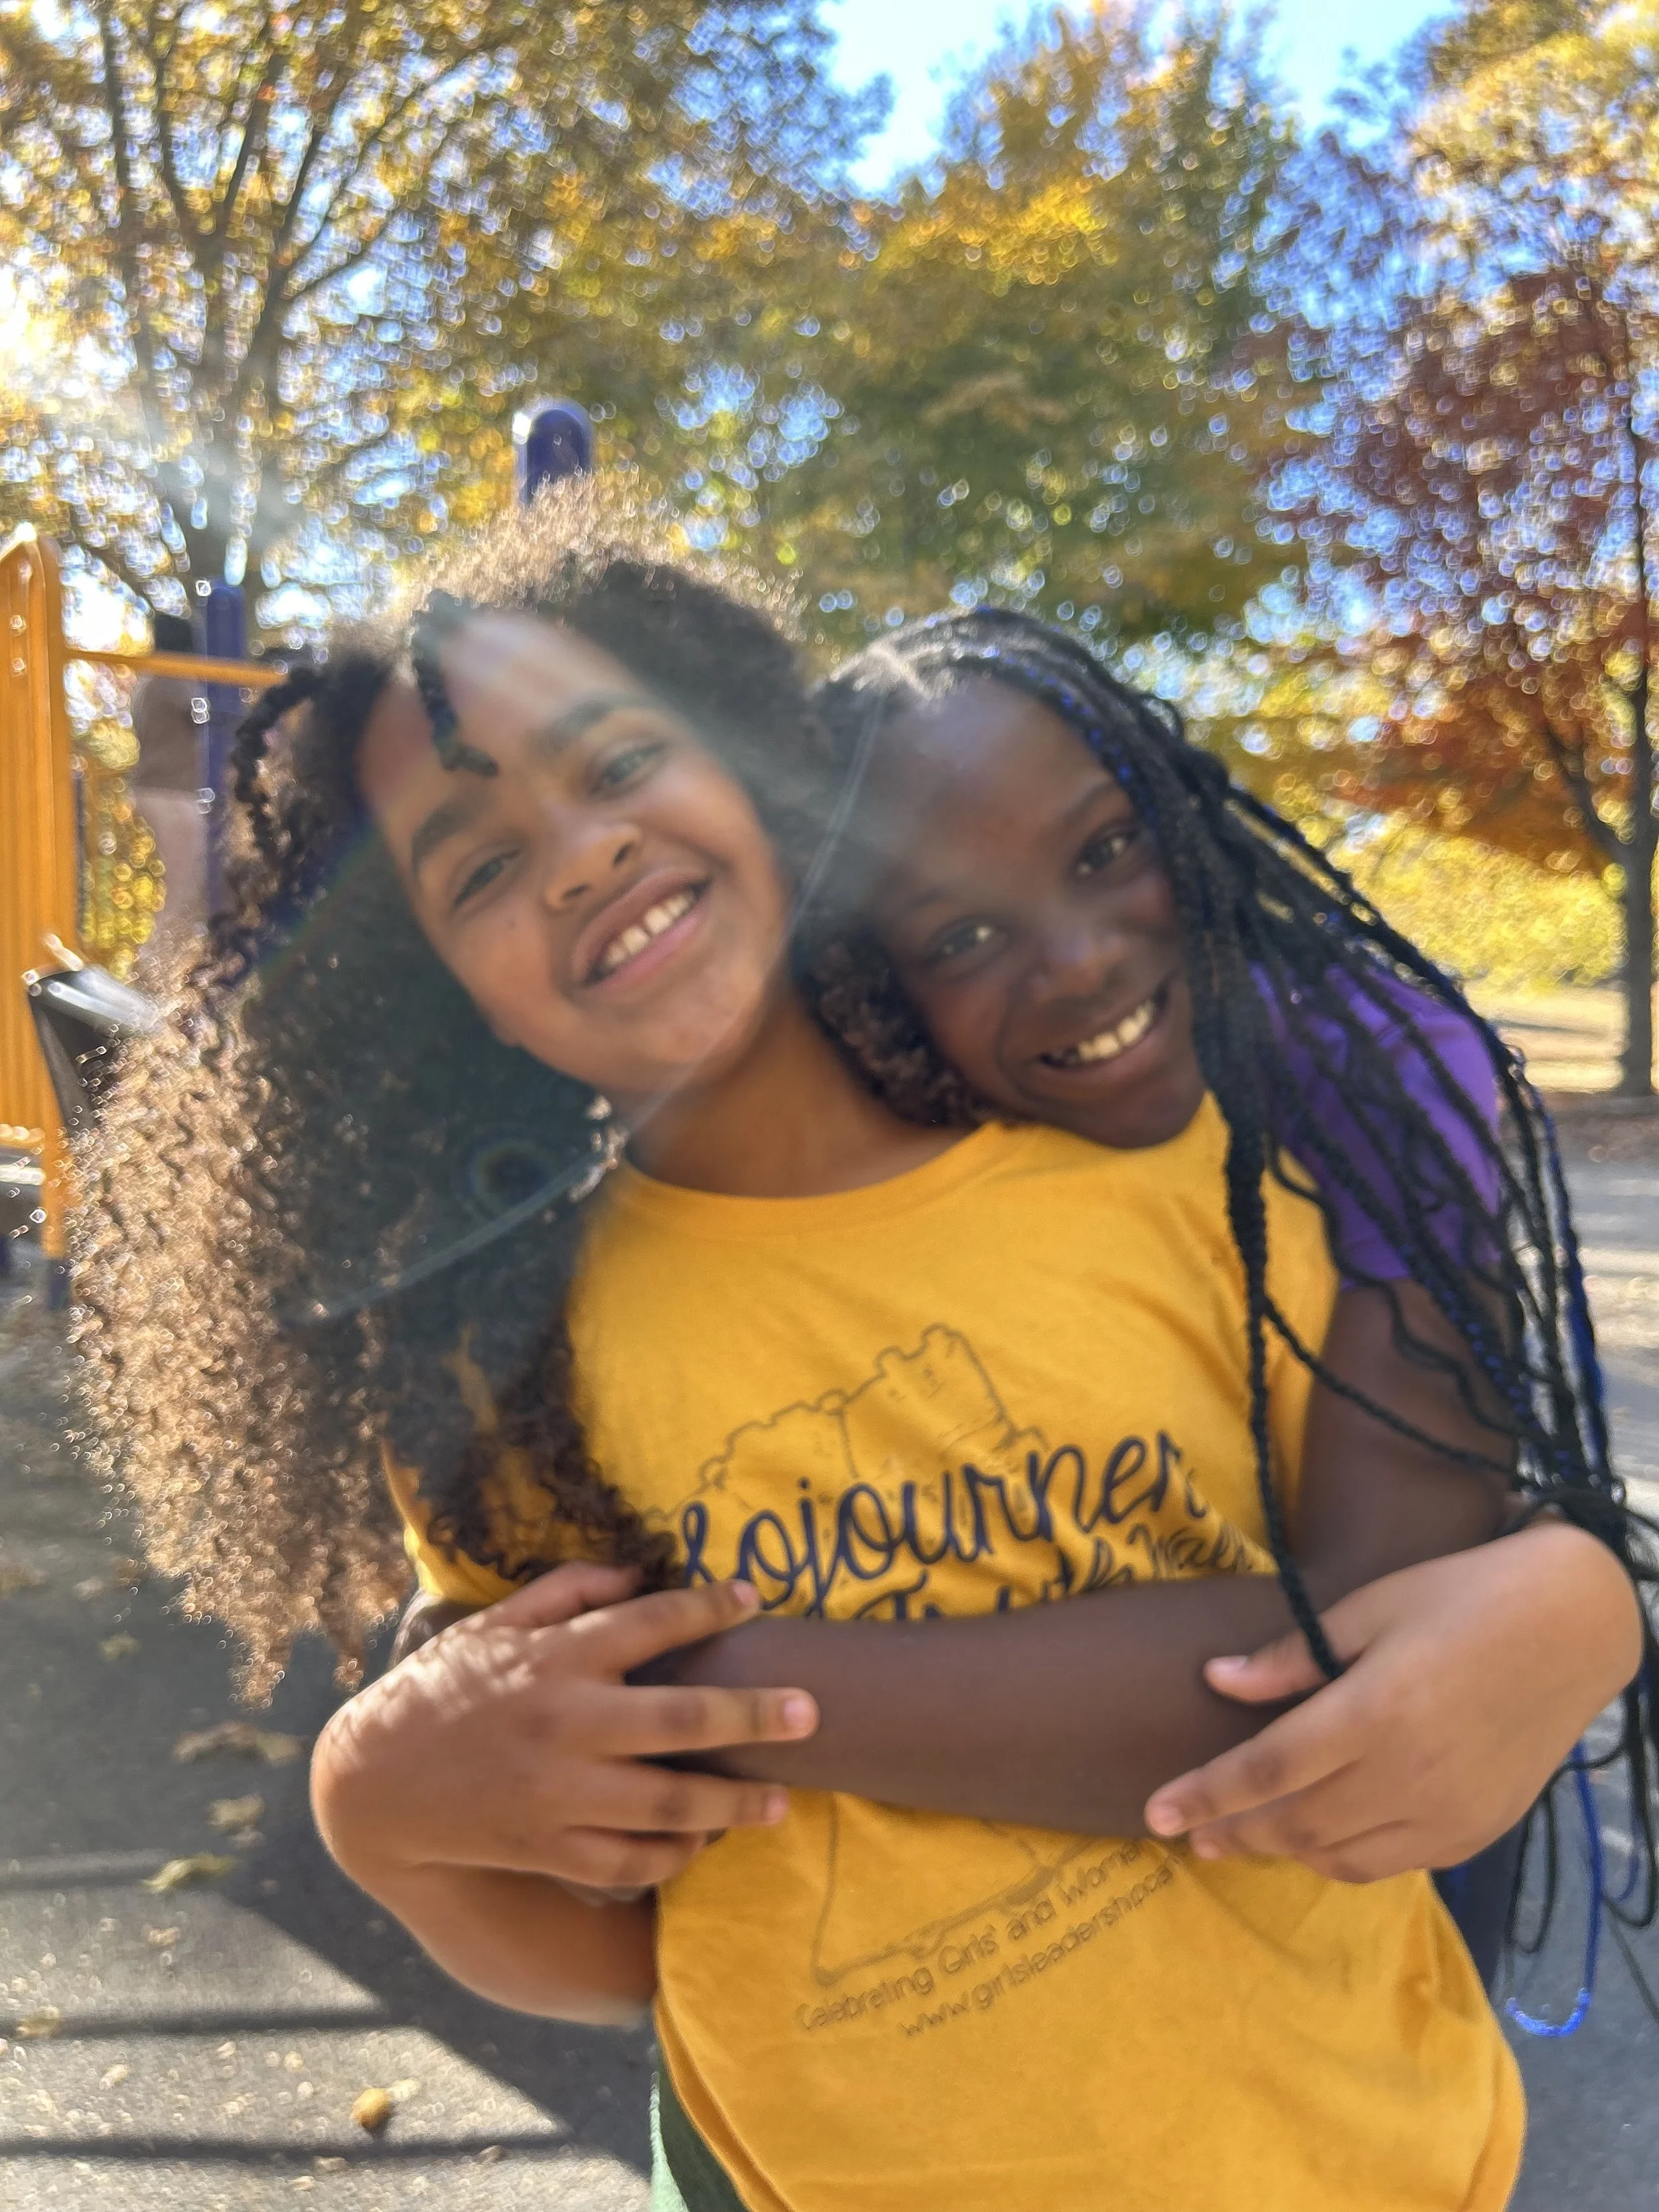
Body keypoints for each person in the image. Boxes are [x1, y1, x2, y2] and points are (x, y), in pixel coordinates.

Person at [72, 484, 1650, 2210]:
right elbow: (639, 1943)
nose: (580, 852)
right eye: (482, 865)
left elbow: (1343, 1668)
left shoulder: (1194, 1177)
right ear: (438, 992)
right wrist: (390, 1826)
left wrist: (1580, 1584)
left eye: (618, 762)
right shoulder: (495, 1386)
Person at [128, 611, 207, 978]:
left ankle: (161, 967)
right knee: (186, 887)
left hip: (161, 789)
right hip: (173, 792)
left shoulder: (151, 678)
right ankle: (158, 971)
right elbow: (208, 717)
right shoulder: (172, 675)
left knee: (183, 883)